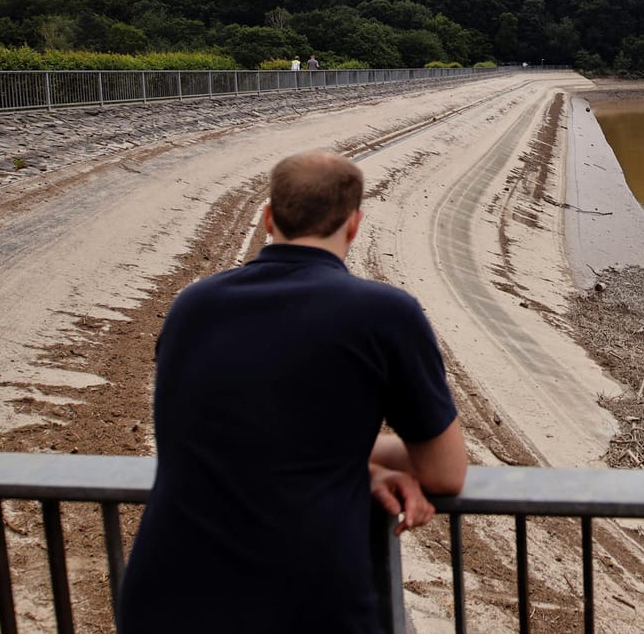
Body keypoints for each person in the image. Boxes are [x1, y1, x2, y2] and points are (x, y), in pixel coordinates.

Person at [118, 150, 467, 633]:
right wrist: (352, 460)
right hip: (304, 601)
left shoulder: (193, 306)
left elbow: (224, 432)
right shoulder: (385, 314)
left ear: (267, 218)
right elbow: (445, 472)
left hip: (167, 596)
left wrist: (345, 459)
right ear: (354, 225)